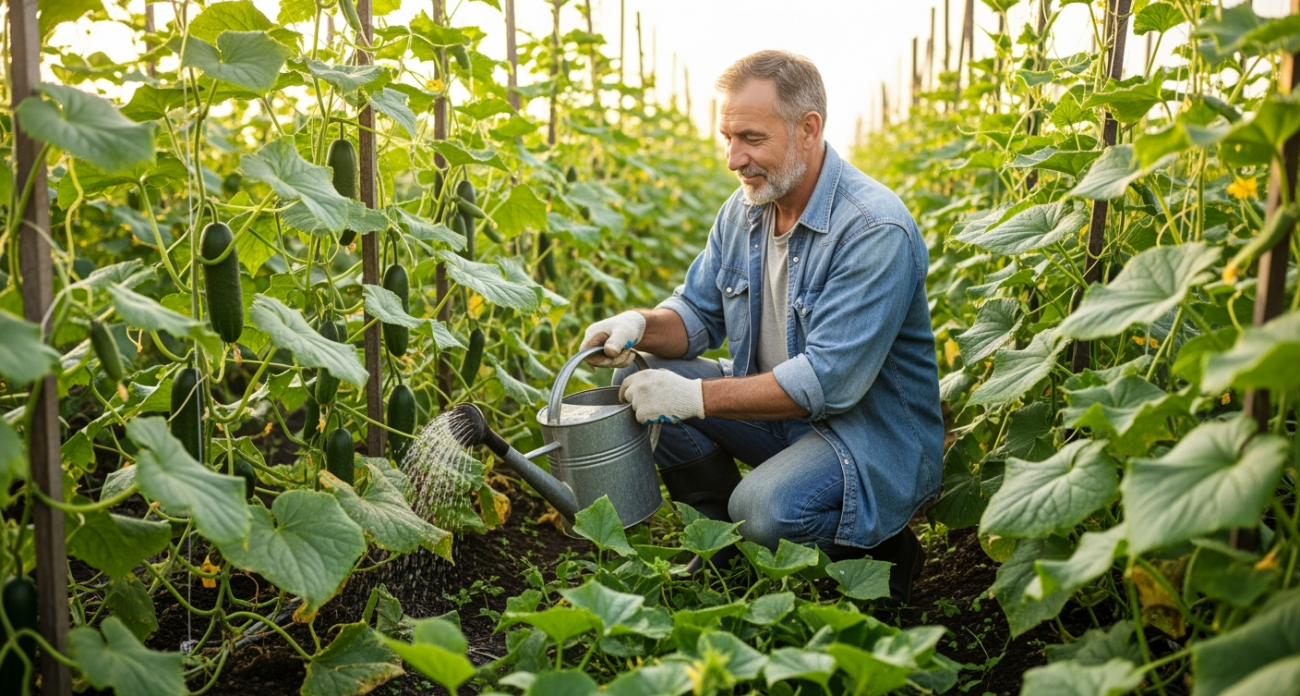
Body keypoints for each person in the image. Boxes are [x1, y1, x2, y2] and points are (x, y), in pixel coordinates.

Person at [579, 50, 943, 602]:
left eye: (751, 138)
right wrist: (637, 324)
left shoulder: (873, 228)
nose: (734, 158)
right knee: (638, 376)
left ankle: (886, 554)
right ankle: (722, 545)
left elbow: (828, 382)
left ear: (808, 130)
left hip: (866, 437)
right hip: (781, 417)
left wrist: (695, 397)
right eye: (728, 138)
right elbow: (696, 314)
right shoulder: (745, 209)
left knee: (763, 509)